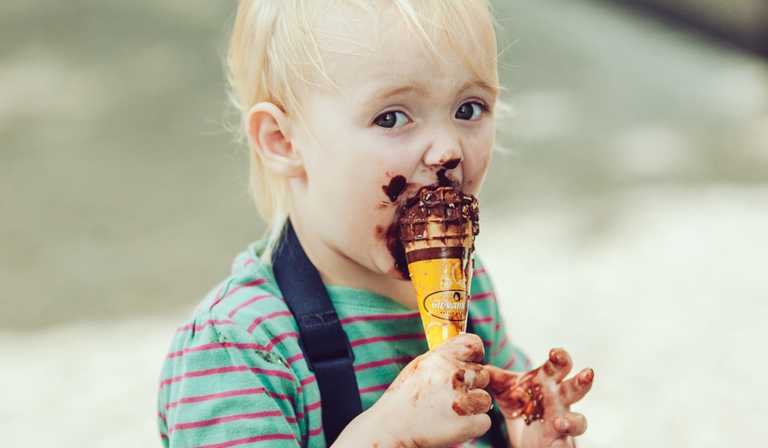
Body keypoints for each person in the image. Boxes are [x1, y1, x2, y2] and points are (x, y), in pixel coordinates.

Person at [157, 1, 594, 446]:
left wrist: (526, 426)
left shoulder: (469, 289)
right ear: (283, 141)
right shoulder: (242, 348)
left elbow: (505, 408)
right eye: (391, 117)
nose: (448, 150)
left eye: (468, 109)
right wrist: (387, 438)